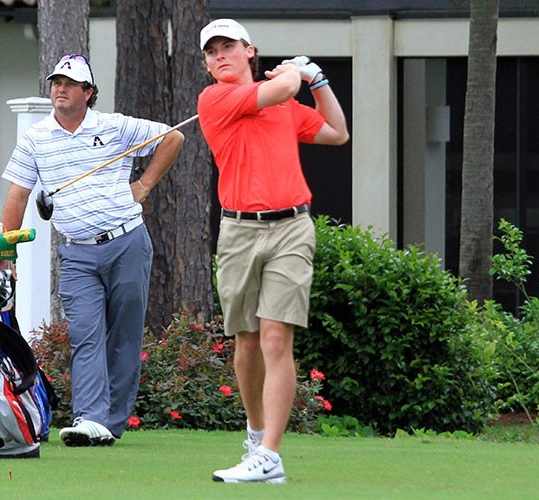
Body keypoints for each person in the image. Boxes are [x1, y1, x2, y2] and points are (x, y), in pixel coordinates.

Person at [0, 53, 184, 447]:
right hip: (77, 254)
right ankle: (89, 418)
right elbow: (16, 197)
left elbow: (174, 137)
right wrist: (6, 254)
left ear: (89, 92)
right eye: (55, 83)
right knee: (85, 334)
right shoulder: (36, 138)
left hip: (127, 243)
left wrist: (145, 185)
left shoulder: (114, 127)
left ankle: (110, 424)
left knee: (124, 337)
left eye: (69, 84)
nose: (60, 89)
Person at [197, 19, 349, 483]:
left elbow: (336, 132)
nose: (220, 56)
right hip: (239, 231)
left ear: (250, 51)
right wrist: (296, 73)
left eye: (229, 47)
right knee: (245, 341)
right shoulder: (215, 99)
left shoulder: (282, 101)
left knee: (276, 338)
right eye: (212, 52)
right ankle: (255, 432)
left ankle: (269, 454)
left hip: (291, 228)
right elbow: (281, 90)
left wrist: (317, 80)